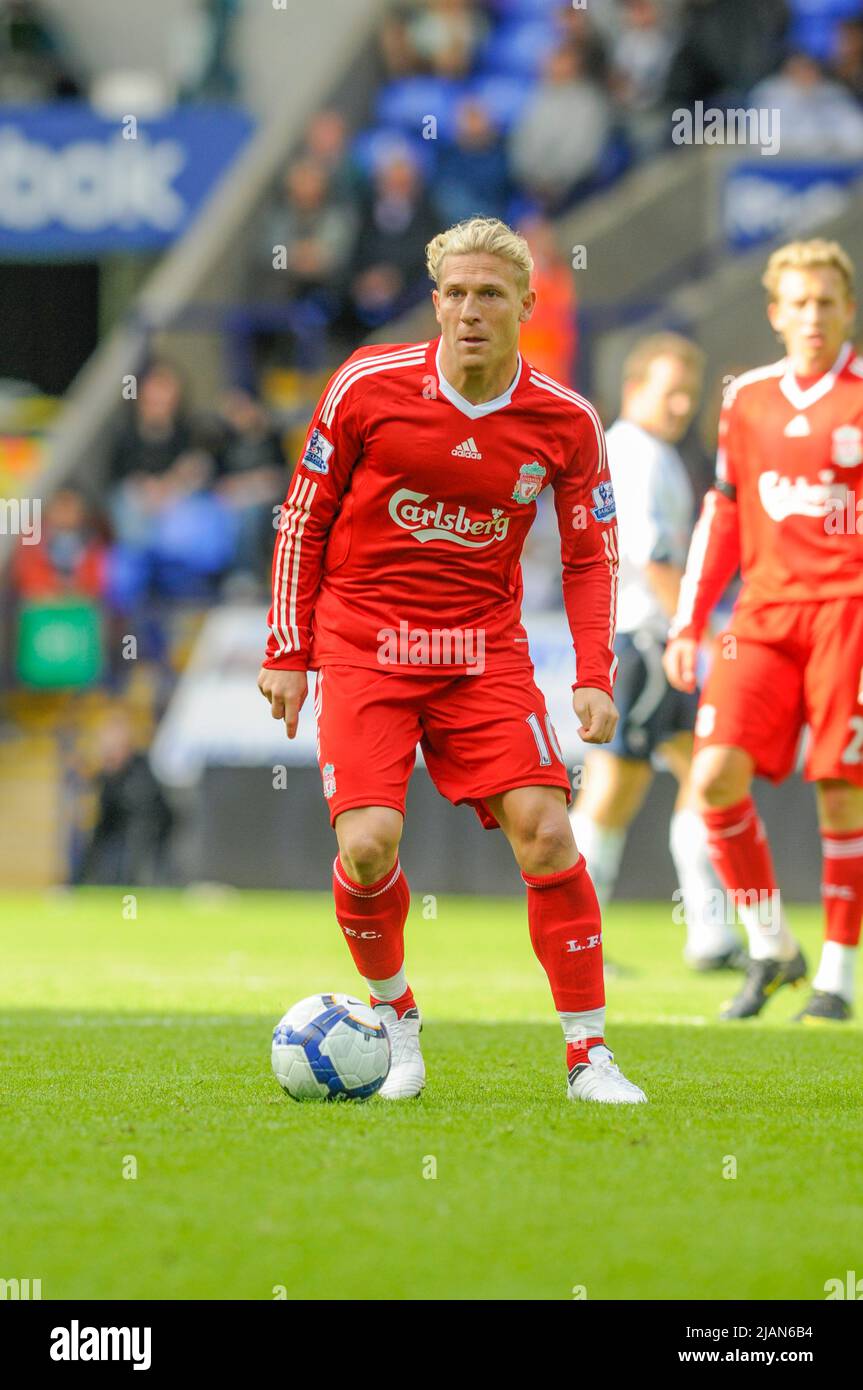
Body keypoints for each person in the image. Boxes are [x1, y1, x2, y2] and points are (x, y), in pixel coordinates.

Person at [257, 215, 646, 1105]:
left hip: (481, 654)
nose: (470, 311)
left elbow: (590, 555)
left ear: (526, 305)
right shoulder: (365, 384)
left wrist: (592, 674)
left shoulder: (565, 421)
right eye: (456, 295)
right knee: (366, 849)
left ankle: (587, 1057)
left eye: (491, 295)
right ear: (435, 303)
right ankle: (396, 1027)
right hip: (365, 646)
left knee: (548, 831)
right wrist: (289, 649)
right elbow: (301, 518)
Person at [665, 238, 863, 1022]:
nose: (811, 316)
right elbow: (721, 510)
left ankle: (837, 977)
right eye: (797, 303)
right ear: (774, 313)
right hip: (761, 618)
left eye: (825, 301)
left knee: (838, 788)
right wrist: (688, 620)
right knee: (712, 777)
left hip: (848, 610)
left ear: (846, 309)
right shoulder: (744, 396)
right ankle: (772, 944)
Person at [571, 334, 745, 971]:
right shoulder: (635, 451)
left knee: (705, 775)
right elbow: (651, 557)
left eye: (688, 395)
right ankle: (575, 939)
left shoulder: (656, 451)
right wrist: (692, 630)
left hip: (653, 639)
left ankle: (710, 934)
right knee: (616, 788)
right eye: (668, 391)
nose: (680, 405)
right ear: (633, 388)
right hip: (644, 640)